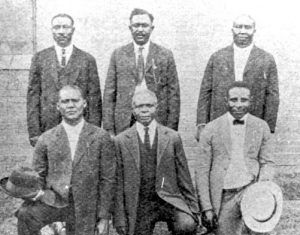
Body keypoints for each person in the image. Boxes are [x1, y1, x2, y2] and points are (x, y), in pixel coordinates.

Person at [9, 85, 115, 235]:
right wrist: (35, 197)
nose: (71, 105)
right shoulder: (46, 138)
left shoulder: (101, 137)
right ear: (58, 106)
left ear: (84, 103)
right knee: (25, 215)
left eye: (75, 100)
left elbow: (107, 180)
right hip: (54, 202)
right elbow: (37, 177)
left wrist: (103, 218)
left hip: (84, 208)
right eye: (65, 102)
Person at [195, 81, 278, 235]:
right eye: (233, 100)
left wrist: (263, 186)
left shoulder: (261, 126)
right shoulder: (211, 128)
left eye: (243, 100)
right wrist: (207, 208)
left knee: (263, 202)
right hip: (225, 195)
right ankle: (236, 222)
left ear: (251, 101)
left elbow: (268, 162)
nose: (238, 105)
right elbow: (201, 170)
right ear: (226, 101)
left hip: (250, 189)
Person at [114, 88, 198, 235]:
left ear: (156, 108)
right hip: (141, 204)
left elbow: (184, 177)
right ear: (132, 109)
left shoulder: (172, 137)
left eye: (149, 105)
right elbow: (119, 183)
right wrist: (120, 218)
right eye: (139, 106)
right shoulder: (121, 141)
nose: (144, 110)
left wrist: (193, 209)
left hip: (168, 199)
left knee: (186, 223)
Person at [196, 14, 279, 140]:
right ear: (232, 29)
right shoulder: (217, 57)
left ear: (254, 31)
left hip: (254, 121)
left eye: (247, 27)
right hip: (220, 120)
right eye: (238, 27)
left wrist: (268, 127)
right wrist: (202, 123)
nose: (242, 31)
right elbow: (205, 92)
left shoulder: (267, 59)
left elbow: (272, 95)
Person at [27, 13, 102, 147]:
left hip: (79, 126)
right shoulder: (40, 58)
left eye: (65, 27)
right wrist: (34, 133)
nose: (61, 31)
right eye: (57, 27)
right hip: (48, 127)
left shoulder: (87, 60)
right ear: (52, 30)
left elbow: (94, 99)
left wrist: (93, 133)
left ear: (73, 30)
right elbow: (33, 98)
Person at [103, 8, 180, 136]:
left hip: (157, 119)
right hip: (125, 121)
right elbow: (109, 94)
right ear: (130, 28)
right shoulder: (118, 54)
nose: (140, 29)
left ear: (152, 28)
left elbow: (174, 95)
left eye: (144, 25)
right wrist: (109, 129)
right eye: (136, 25)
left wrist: (171, 128)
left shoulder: (165, 55)